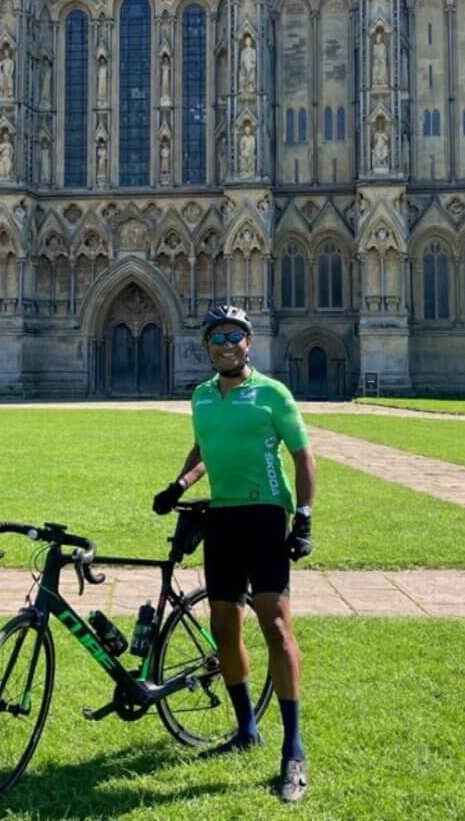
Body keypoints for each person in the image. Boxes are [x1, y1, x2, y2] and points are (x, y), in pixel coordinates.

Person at [152, 304, 316, 805]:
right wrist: (178, 484)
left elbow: (302, 456)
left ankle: (293, 748)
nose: (227, 343)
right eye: (218, 336)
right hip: (221, 519)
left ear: (249, 342)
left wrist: (304, 516)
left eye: (235, 335)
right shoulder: (202, 397)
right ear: (206, 345)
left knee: (277, 627)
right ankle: (246, 727)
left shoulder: (273, 394)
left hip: (266, 516)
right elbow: (204, 449)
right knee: (224, 626)